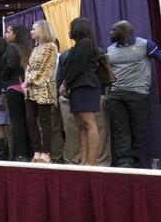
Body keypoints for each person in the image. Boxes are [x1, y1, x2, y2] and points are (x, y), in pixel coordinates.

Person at [107, 20, 161, 168]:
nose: (110, 33)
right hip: (116, 95)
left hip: (138, 94)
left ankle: (134, 161)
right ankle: (124, 163)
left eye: (113, 30)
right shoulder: (110, 49)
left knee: (138, 129)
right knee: (120, 129)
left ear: (124, 32)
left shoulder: (145, 45)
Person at [59, 18, 100, 165]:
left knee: (89, 123)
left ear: (79, 28)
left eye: (71, 28)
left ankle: (90, 161)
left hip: (86, 86)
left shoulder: (85, 43)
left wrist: (65, 83)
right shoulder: (78, 45)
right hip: (77, 87)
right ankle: (83, 161)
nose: (69, 31)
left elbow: (77, 66)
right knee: (81, 126)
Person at [23, 20, 58, 163]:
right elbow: (29, 68)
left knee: (44, 121)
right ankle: (37, 151)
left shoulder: (51, 47)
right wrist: (27, 81)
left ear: (42, 30)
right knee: (30, 120)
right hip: (31, 90)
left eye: (33, 29)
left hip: (44, 89)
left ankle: (47, 152)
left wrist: (29, 79)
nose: (31, 31)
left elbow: (46, 70)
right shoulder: (35, 48)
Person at [2, 24, 33, 161]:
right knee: (26, 122)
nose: (6, 35)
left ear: (15, 34)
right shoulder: (27, 49)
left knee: (17, 122)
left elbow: (9, 65)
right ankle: (29, 152)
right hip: (25, 88)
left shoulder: (10, 48)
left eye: (8, 32)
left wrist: (2, 75)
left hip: (13, 87)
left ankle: (20, 155)